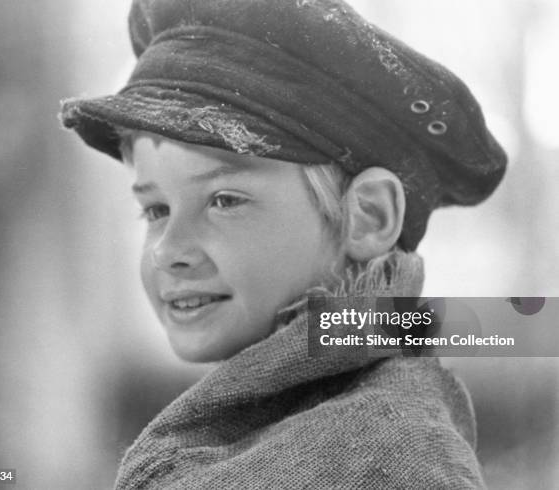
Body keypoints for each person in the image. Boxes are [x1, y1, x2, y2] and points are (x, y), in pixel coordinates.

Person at [60, 0, 507, 488]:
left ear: (368, 217)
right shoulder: (259, 428)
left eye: (225, 200)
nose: (168, 250)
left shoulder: (391, 458)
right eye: (156, 210)